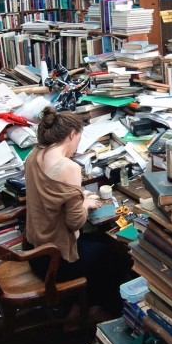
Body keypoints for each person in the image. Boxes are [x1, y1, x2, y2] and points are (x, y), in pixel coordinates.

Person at [23, 106, 131, 319]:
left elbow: (51, 194)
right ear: (72, 135)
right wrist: (84, 204)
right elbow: (75, 223)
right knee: (115, 254)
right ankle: (92, 311)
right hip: (55, 261)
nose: (77, 146)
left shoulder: (34, 154)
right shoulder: (69, 168)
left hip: (33, 248)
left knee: (101, 242)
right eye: (78, 140)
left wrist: (79, 197)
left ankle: (80, 304)